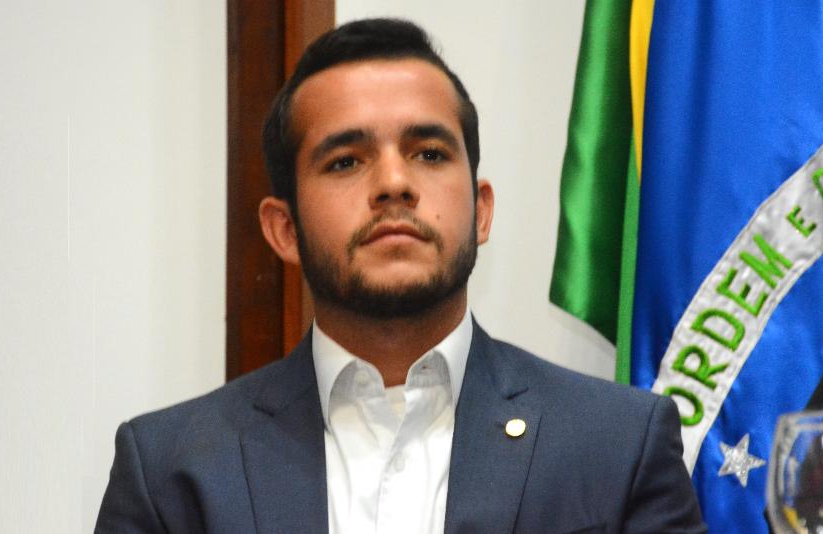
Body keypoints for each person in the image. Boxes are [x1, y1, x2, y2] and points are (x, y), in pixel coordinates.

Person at [95, 18, 706, 533]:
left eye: (430, 154)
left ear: (481, 211)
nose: (393, 183)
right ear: (284, 229)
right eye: (345, 161)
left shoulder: (619, 445)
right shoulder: (170, 473)